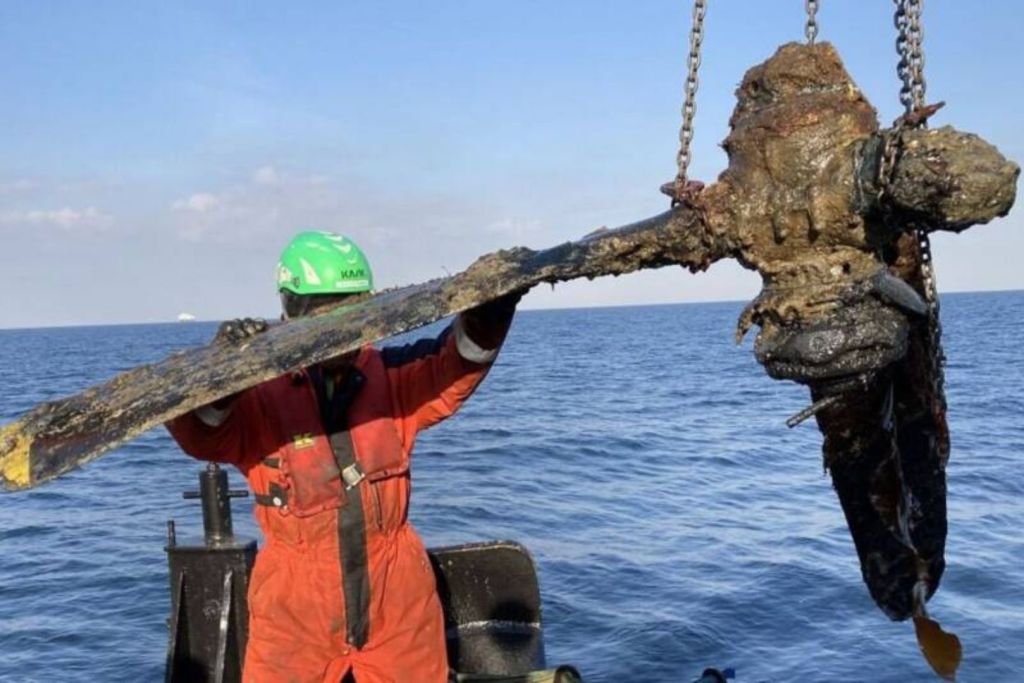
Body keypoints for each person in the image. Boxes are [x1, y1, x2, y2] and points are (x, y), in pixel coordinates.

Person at [167, 231, 519, 683]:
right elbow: (202, 435)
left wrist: (492, 311)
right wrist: (223, 374)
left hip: (399, 604)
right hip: (293, 614)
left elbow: (456, 365)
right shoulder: (258, 398)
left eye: (353, 311)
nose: (339, 331)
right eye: (323, 312)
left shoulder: (390, 378)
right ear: (291, 309)